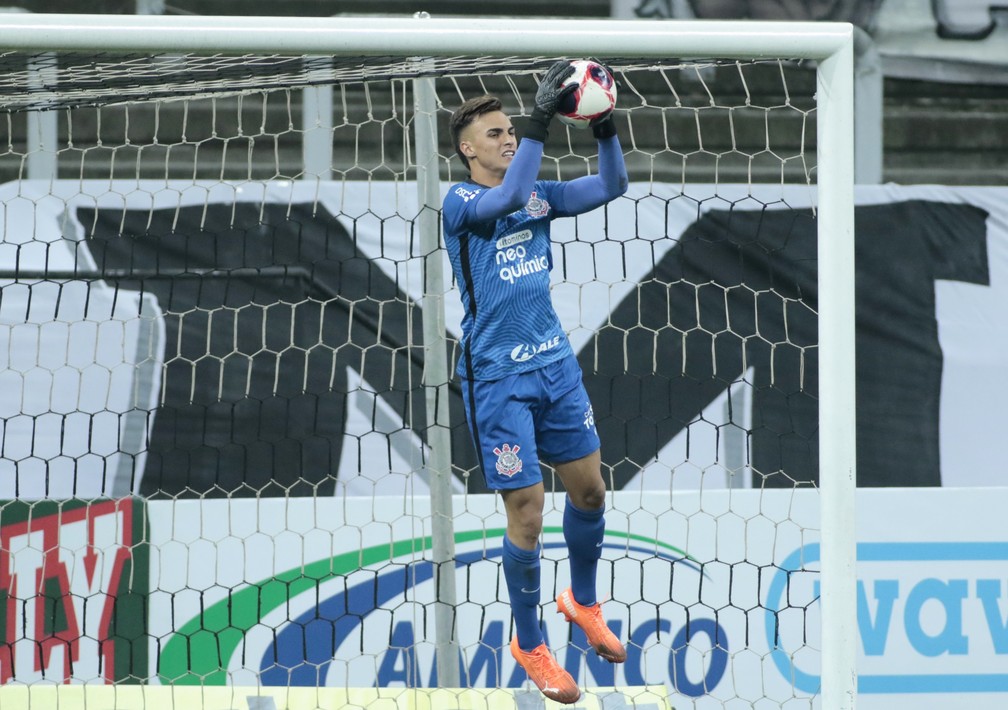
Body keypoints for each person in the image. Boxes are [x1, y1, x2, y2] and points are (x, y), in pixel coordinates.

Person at [441, 60, 629, 705]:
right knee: (528, 511)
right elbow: (508, 200)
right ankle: (531, 642)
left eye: (510, 132)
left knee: (592, 492)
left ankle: (581, 600)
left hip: (554, 366)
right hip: (498, 378)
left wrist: (605, 126)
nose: (508, 139)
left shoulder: (537, 190)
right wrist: (541, 118)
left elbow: (613, 186)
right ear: (468, 148)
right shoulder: (462, 203)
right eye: (496, 134)